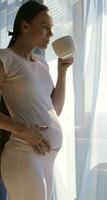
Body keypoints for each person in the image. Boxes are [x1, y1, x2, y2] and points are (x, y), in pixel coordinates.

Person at [0, 1, 73, 200]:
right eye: (45, 27)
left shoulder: (41, 63)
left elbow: (53, 110)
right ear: (25, 26)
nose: (50, 34)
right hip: (24, 154)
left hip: (47, 157)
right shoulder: (5, 58)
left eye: (51, 29)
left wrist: (62, 71)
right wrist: (24, 130)